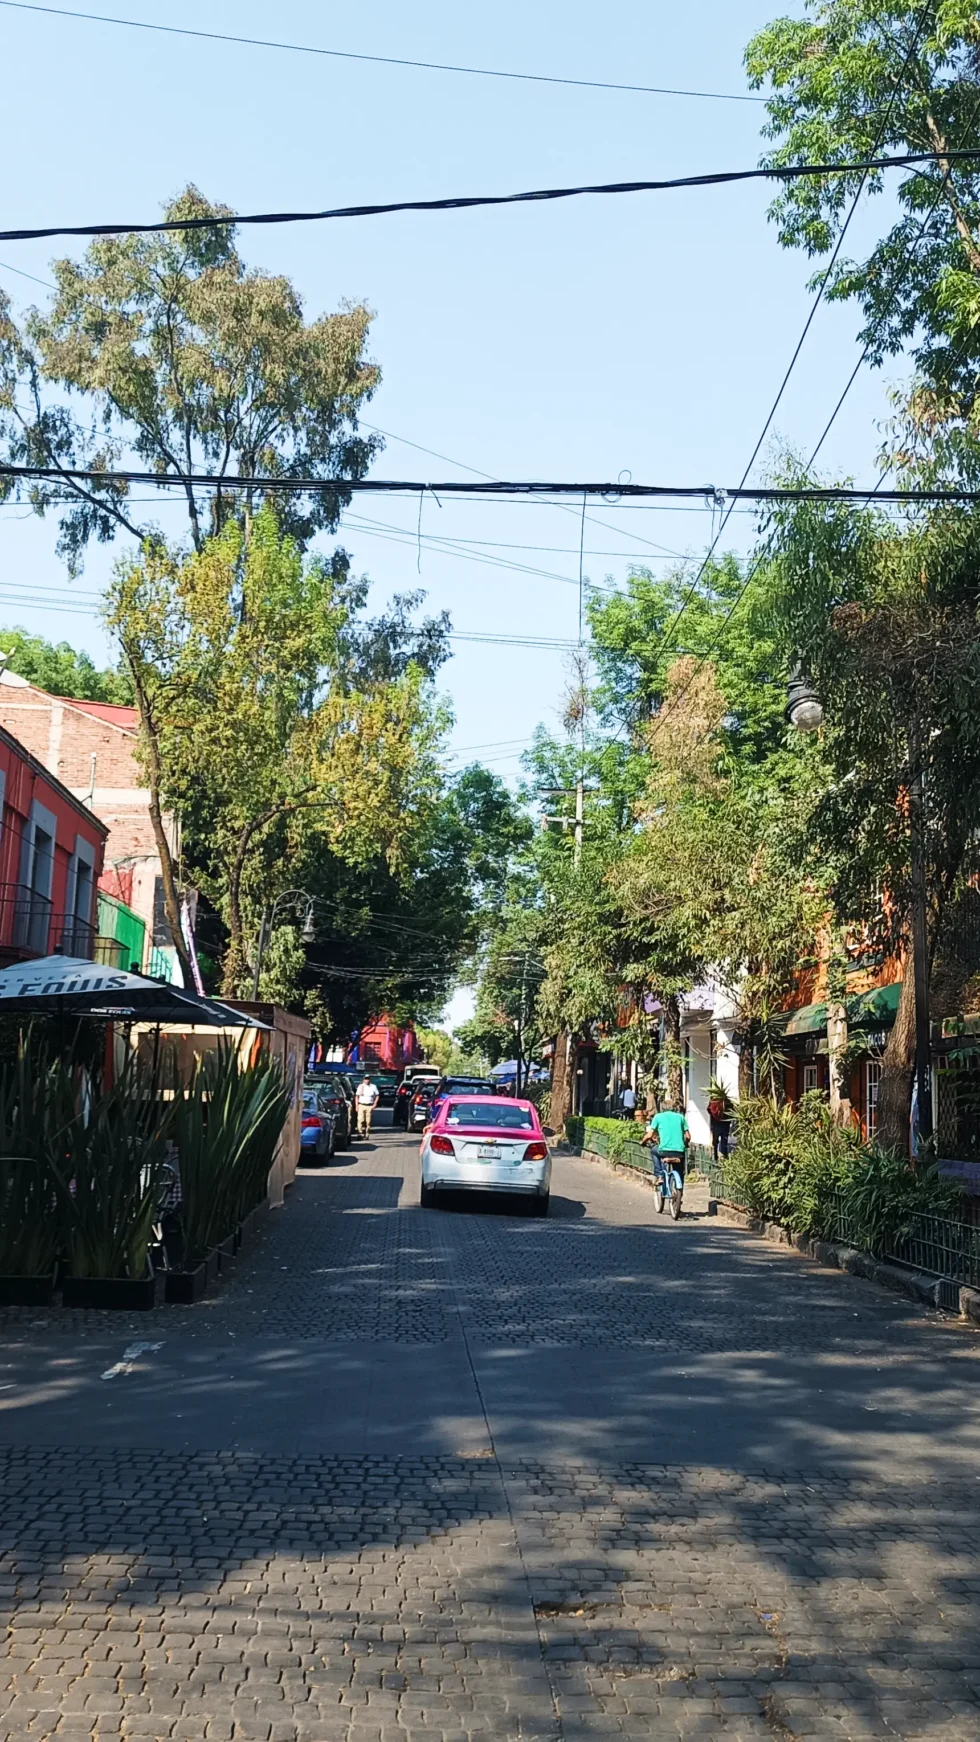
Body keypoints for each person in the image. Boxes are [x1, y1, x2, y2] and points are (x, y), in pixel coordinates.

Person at [642, 1099, 691, 1184]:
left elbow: (649, 1135)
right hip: (679, 1152)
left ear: (662, 1108)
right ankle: (680, 1188)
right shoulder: (681, 1117)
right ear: (673, 1108)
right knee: (680, 1171)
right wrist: (685, 1144)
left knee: (654, 1151)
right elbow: (688, 1136)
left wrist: (643, 1141)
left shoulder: (658, 1117)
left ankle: (659, 1175)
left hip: (664, 1151)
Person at [707, 1088, 732, 1160]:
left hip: (716, 1124)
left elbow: (709, 1110)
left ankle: (715, 1157)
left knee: (715, 1142)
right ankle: (725, 1156)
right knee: (724, 1142)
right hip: (725, 1124)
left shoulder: (713, 1103)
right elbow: (732, 1111)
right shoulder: (727, 1102)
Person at [355, 1071, 380, 1138]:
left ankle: (367, 1134)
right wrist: (356, 1105)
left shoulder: (373, 1086)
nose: (367, 1080)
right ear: (363, 1079)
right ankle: (360, 1134)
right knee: (360, 1120)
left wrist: (375, 1103)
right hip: (361, 1105)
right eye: (365, 1079)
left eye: (368, 1079)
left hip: (369, 1105)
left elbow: (377, 1095)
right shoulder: (360, 1086)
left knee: (368, 1121)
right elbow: (357, 1096)